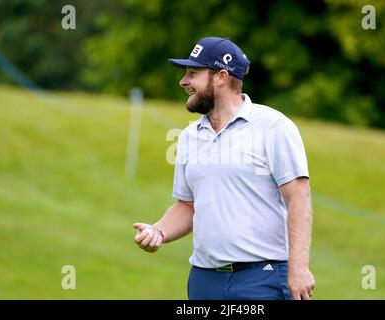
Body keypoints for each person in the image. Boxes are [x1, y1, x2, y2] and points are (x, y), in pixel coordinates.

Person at [133, 37, 315, 300]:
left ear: (220, 76)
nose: (183, 81)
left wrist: (299, 268)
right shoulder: (188, 136)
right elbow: (187, 205)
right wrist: (158, 231)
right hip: (203, 280)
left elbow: (298, 196)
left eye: (193, 73)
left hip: (261, 278)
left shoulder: (274, 127)